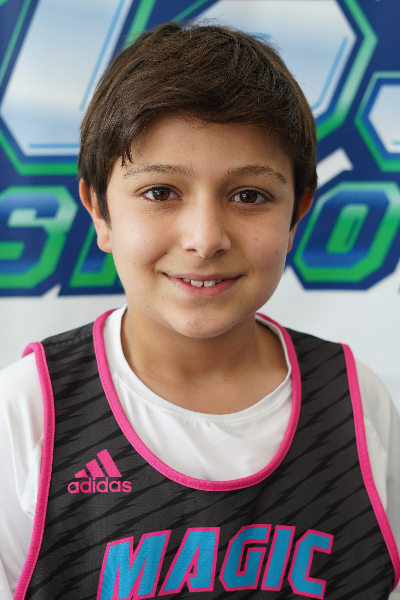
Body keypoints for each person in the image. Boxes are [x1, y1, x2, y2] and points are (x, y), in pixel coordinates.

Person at [0, 22, 399, 600]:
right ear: (99, 212)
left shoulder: (357, 403)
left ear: (298, 213)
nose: (206, 239)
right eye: (160, 193)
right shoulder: (27, 413)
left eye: (250, 196)